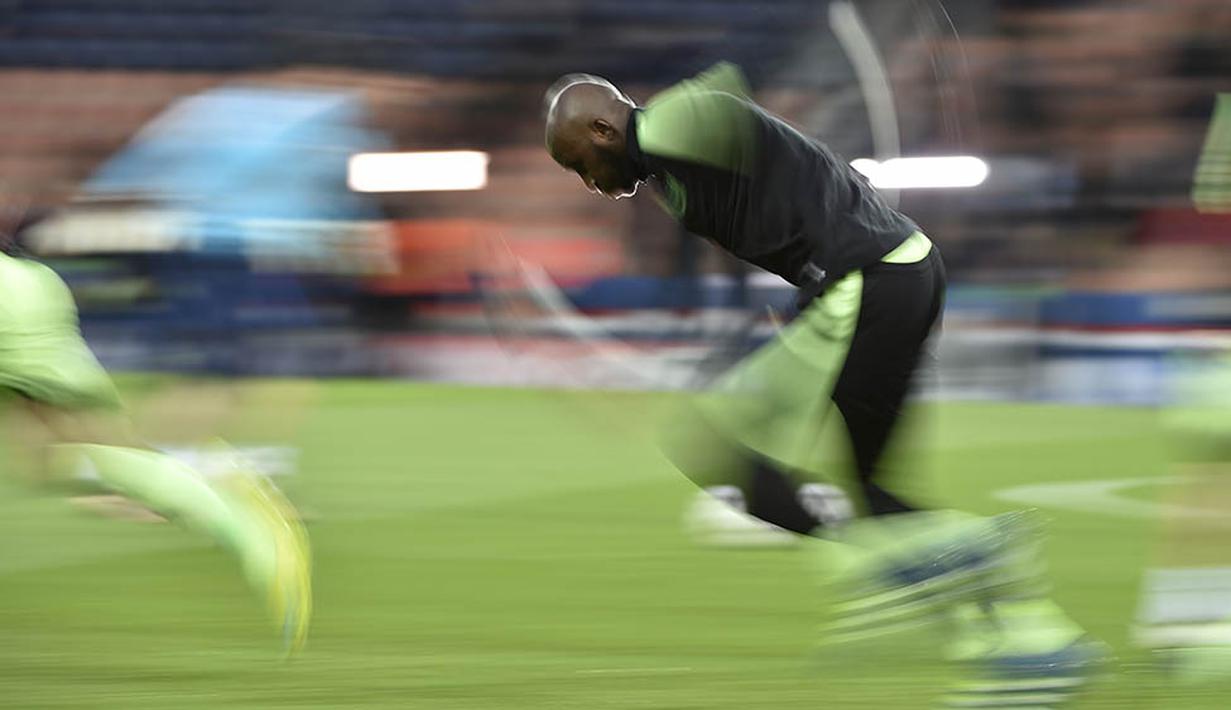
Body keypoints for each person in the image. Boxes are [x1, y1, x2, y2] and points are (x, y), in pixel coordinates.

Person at [543, 63, 1102, 704]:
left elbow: (722, 105)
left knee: (709, 448)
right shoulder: (671, 181)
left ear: (603, 128)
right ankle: (1031, 647)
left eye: (578, 162)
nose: (587, 182)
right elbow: (790, 179)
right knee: (875, 494)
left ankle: (919, 554)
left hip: (866, 281)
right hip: (899, 270)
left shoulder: (670, 123)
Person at [0, 221, 311, 654]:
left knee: (80, 454)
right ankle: (221, 489)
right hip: (25, 282)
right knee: (59, 457)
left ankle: (249, 527)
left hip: (11, 294)